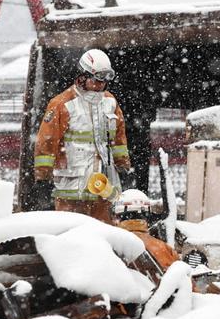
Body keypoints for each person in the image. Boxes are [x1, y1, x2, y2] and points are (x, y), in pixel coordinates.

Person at [31, 49, 131, 223]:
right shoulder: (62, 104)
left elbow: (118, 139)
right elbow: (46, 141)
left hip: (102, 184)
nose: (100, 85)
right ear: (82, 76)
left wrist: (122, 163)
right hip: (72, 185)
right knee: (70, 232)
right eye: (96, 80)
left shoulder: (110, 102)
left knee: (104, 231)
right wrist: (43, 176)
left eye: (104, 81)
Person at [114, 189, 179, 272]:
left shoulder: (111, 247)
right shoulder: (164, 249)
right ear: (147, 215)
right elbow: (185, 281)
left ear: (118, 216)